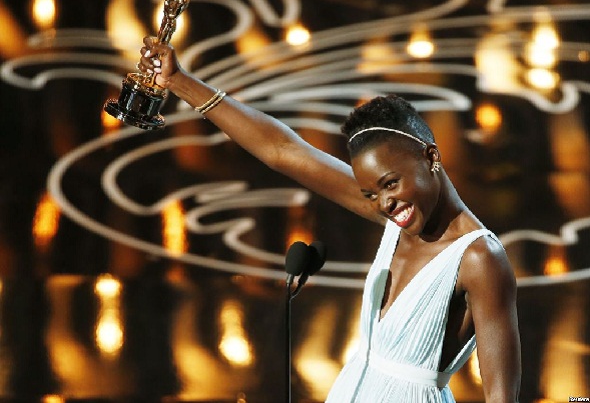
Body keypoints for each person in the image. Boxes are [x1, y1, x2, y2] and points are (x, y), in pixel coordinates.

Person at [138, 36, 521, 402]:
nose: (385, 203)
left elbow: (501, 397)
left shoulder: (480, 259)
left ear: (431, 157)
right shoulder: (397, 216)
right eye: (370, 193)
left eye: (391, 183)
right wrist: (178, 81)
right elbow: (283, 150)